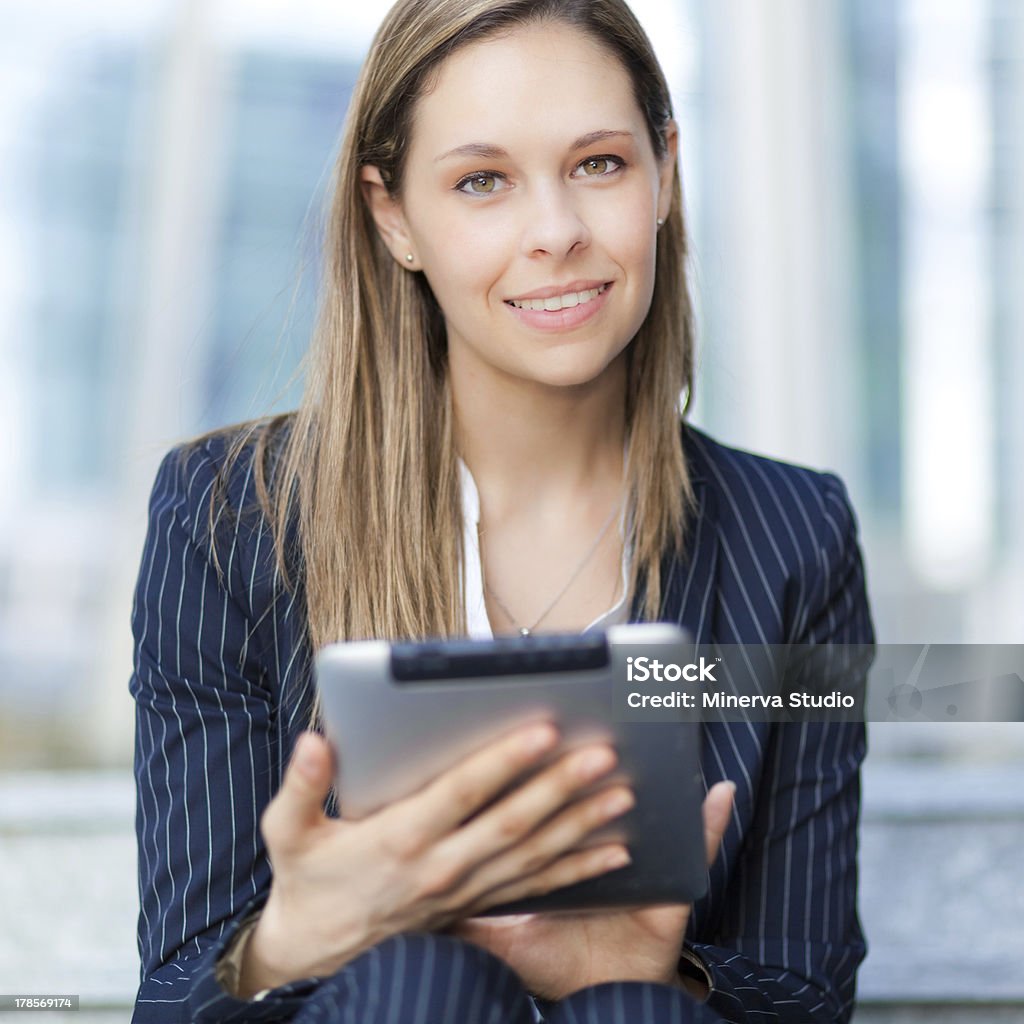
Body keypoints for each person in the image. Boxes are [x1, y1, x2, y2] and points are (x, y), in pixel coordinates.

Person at [129, 0, 875, 1021]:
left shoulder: (796, 537)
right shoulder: (229, 520)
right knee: (414, 983)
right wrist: (298, 938)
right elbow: (174, 997)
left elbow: (804, 990)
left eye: (600, 164)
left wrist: (642, 972)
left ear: (664, 167)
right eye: (483, 181)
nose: (556, 232)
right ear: (392, 216)